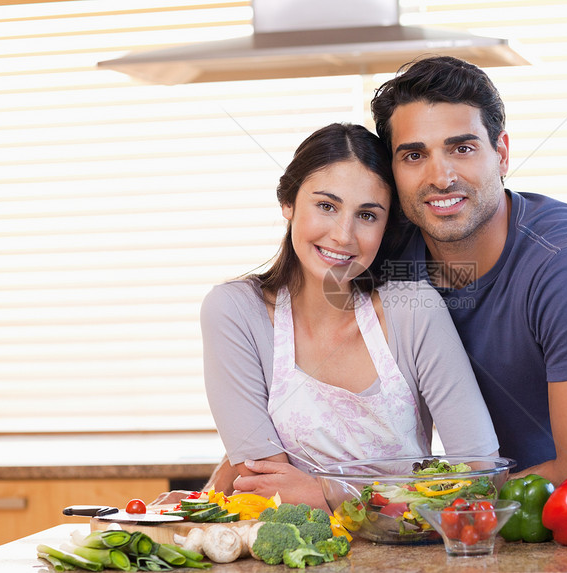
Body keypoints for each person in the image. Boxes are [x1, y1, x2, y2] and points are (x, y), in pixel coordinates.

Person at [369, 56, 567, 488]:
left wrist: (403, 495)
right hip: (501, 508)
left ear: (500, 154)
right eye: (413, 155)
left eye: (461, 148)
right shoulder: (389, 252)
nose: (440, 177)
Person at [197, 123, 499, 509]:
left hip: (406, 555)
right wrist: (394, 499)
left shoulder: (412, 311)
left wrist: (324, 494)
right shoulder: (236, 312)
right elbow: (266, 489)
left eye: (367, 215)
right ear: (288, 203)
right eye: (326, 206)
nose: (343, 235)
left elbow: (478, 474)